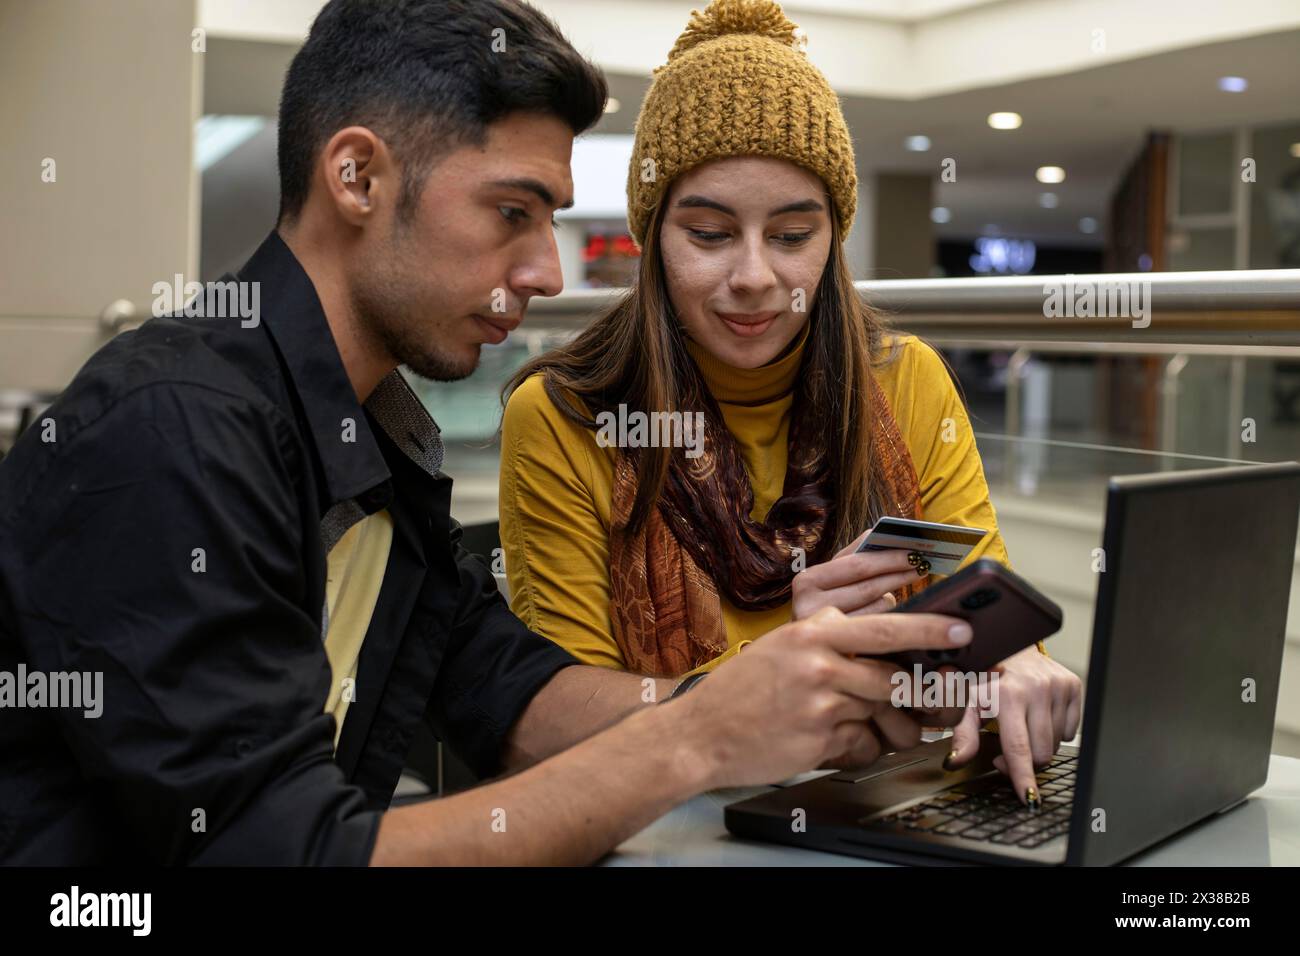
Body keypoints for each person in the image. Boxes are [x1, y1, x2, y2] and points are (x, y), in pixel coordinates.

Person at [0, 0, 971, 865]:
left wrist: (745, 703)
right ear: (356, 175)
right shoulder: (172, 430)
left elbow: (504, 689)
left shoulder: (371, 428)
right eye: (511, 211)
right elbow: (281, 845)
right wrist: (698, 738)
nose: (547, 273)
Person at [500, 0, 1082, 809]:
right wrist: (781, 668)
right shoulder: (564, 416)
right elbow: (556, 718)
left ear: (833, 238)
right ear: (652, 236)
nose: (753, 278)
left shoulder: (905, 380)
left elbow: (984, 601)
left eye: (790, 235)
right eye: (708, 234)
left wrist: (1013, 658)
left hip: (886, 808)